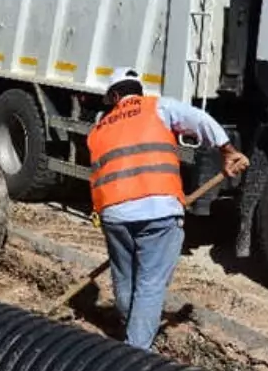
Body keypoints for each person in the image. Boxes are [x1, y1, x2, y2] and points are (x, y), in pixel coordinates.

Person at [87, 66, 249, 351]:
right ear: (139, 91)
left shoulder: (99, 128)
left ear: (114, 96)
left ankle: (129, 326)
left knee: (125, 280)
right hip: (158, 212)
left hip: (113, 215)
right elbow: (200, 120)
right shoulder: (158, 107)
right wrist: (227, 151)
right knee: (150, 284)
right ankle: (136, 353)